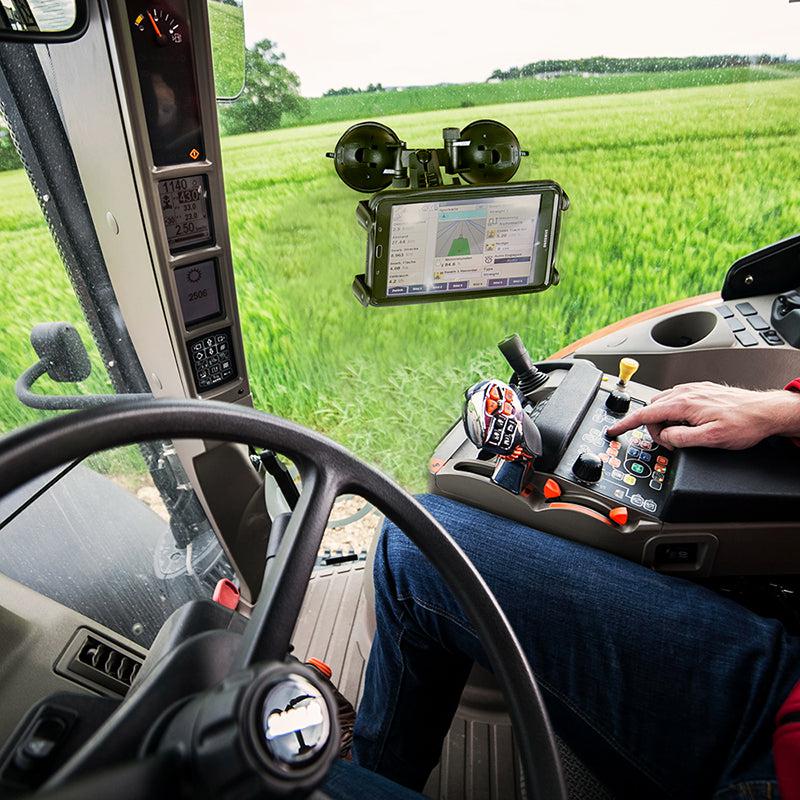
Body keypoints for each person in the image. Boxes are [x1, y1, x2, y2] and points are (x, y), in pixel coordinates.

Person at [325, 381, 800, 800]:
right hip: (781, 685)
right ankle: (376, 770)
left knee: (261, 769)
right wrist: (783, 410)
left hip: (773, 771)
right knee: (417, 545)